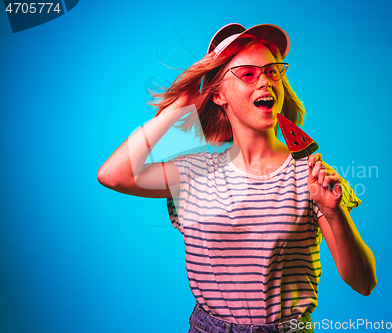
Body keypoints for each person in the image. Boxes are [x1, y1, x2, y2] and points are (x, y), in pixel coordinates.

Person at [97, 23, 376, 333]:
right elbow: (112, 175)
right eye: (247, 74)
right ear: (219, 95)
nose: (265, 83)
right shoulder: (193, 173)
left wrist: (335, 212)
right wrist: (178, 107)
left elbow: (364, 283)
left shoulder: (310, 175)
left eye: (272, 72)